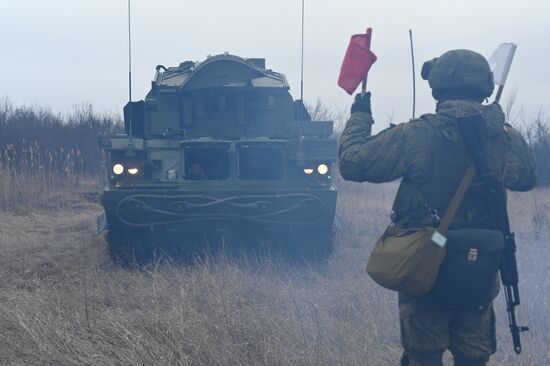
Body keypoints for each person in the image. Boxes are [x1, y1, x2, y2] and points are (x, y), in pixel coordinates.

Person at [338, 49, 537, 366]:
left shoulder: (419, 134)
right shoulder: (502, 137)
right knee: (474, 358)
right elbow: (528, 177)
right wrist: (500, 130)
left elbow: (353, 163)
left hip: (426, 266)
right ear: (485, 87)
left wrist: (360, 116)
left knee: (423, 357)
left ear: (438, 87)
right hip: (479, 273)